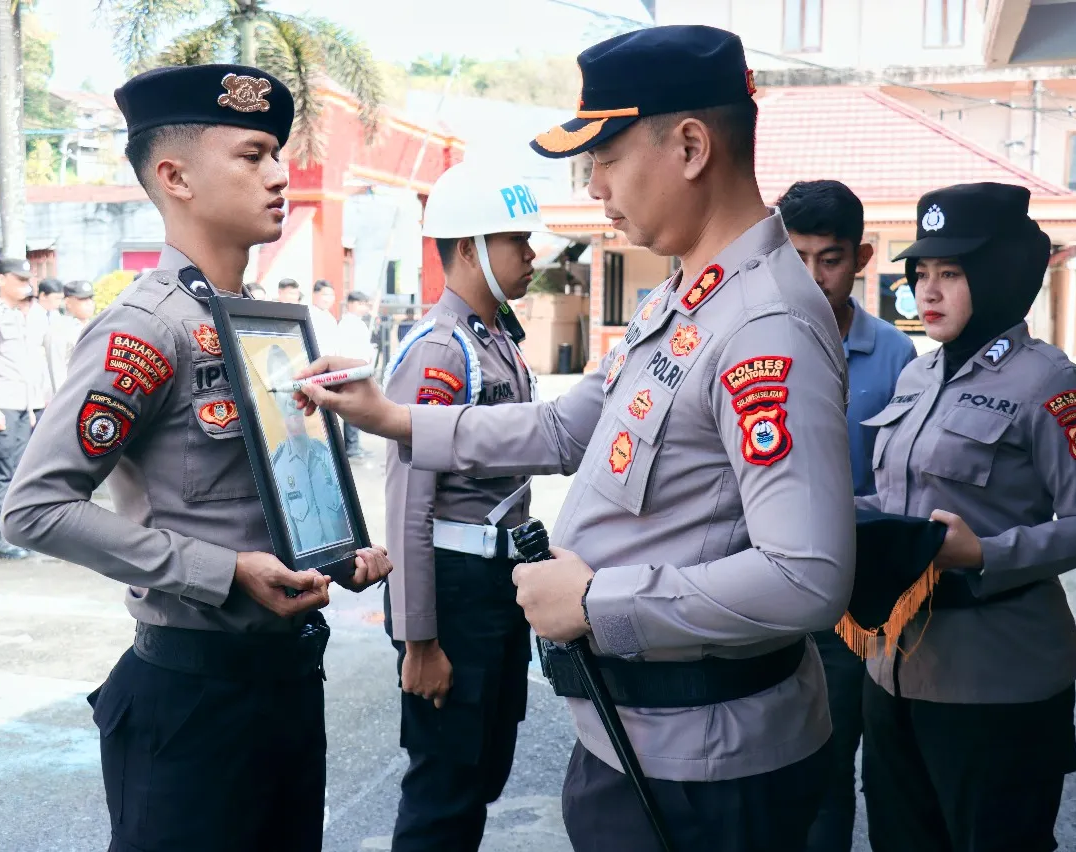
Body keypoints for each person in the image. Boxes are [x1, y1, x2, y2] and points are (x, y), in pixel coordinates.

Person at [300, 25, 855, 852]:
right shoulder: (685, 301)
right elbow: (565, 426)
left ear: (691, 146)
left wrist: (595, 603)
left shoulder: (763, 324)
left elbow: (805, 577)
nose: (593, 187)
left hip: (706, 765)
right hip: (641, 739)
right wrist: (393, 418)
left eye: (604, 157)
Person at [0, 63, 391, 852]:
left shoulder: (263, 325)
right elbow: (35, 508)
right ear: (174, 175)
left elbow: (256, 493)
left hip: (283, 682)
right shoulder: (145, 329)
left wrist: (331, 553)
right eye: (253, 156)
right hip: (193, 696)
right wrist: (224, 573)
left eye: (278, 153)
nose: (281, 174)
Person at [857, 182, 1076, 852]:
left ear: (999, 275)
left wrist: (985, 555)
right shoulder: (917, 377)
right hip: (892, 668)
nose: (929, 292)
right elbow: (894, 502)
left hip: (996, 680)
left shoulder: (1049, 385)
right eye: (921, 274)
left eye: (951, 273)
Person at [380, 163, 544, 851]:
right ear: (473, 246)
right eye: (519, 242)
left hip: (496, 588)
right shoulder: (443, 351)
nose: (533, 256)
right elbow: (407, 502)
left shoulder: (495, 339)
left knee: (482, 771)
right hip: (453, 593)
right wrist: (419, 639)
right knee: (444, 789)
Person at [776, 179, 916, 852]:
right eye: (796, 256)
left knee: (852, 765)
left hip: (859, 607)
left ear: (861, 258)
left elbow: (907, 486)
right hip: (765, 593)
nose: (812, 276)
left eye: (828, 259)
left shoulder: (896, 356)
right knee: (780, 766)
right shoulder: (756, 342)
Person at [0, 256, 48, 560]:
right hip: (2, 404)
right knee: (2, 473)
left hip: (24, 404)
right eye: (19, 280)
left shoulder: (23, 315)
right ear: (2, 280)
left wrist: (34, 407)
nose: (25, 285)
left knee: (20, 472)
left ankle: (14, 533)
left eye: (27, 280)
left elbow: (31, 366)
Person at [266, 345, 352, 552]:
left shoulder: (329, 456)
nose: (288, 399)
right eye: (280, 388)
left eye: (290, 385)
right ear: (275, 399)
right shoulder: (275, 469)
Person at [338, 290, 375, 458]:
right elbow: (348, 350)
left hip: (359, 370)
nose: (364, 308)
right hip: (351, 371)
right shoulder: (347, 324)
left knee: (358, 406)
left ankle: (355, 445)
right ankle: (352, 447)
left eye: (365, 304)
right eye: (361, 304)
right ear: (351, 304)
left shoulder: (359, 323)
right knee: (353, 408)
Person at [44, 279, 96, 398]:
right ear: (68, 302)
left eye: (90, 298)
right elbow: (57, 370)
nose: (89, 303)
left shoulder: (95, 325)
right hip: (71, 396)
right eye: (83, 299)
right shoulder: (59, 329)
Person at [309, 279, 340, 357]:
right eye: (325, 295)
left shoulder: (331, 319)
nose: (329, 299)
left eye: (332, 295)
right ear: (315, 294)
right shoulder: (308, 315)